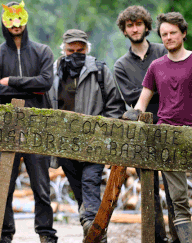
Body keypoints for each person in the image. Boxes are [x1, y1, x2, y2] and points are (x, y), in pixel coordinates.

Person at [123, 12, 192, 243]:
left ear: (183, 33)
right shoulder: (156, 67)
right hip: (166, 137)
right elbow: (142, 101)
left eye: (173, 33)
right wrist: (133, 114)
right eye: (164, 34)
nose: (168, 37)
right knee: (177, 200)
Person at [0, 1, 58, 242]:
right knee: (3, 185)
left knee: (41, 187)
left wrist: (13, 81)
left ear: (26, 19)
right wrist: (31, 87)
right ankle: (4, 234)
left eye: (20, 19)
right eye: (10, 19)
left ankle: (46, 234)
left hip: (37, 126)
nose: (16, 24)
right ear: (4, 21)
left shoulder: (43, 51)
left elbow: (46, 82)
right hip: (5, 128)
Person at [47, 29, 126, 242]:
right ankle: (95, 231)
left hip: (94, 145)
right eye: (70, 50)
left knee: (91, 184)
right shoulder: (53, 71)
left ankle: (94, 232)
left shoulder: (99, 70)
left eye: (79, 50)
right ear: (63, 50)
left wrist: (104, 134)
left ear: (86, 49)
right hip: (64, 146)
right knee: (81, 193)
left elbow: (114, 105)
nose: (74, 53)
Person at [114, 6, 177, 242]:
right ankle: (157, 238)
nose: (135, 28)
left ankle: (179, 237)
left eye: (139, 23)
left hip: (171, 127)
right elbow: (133, 99)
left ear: (147, 26)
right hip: (143, 133)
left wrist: (152, 92)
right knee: (149, 191)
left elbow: (175, 88)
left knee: (175, 190)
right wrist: (157, 89)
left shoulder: (164, 51)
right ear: (124, 30)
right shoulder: (121, 65)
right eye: (129, 25)